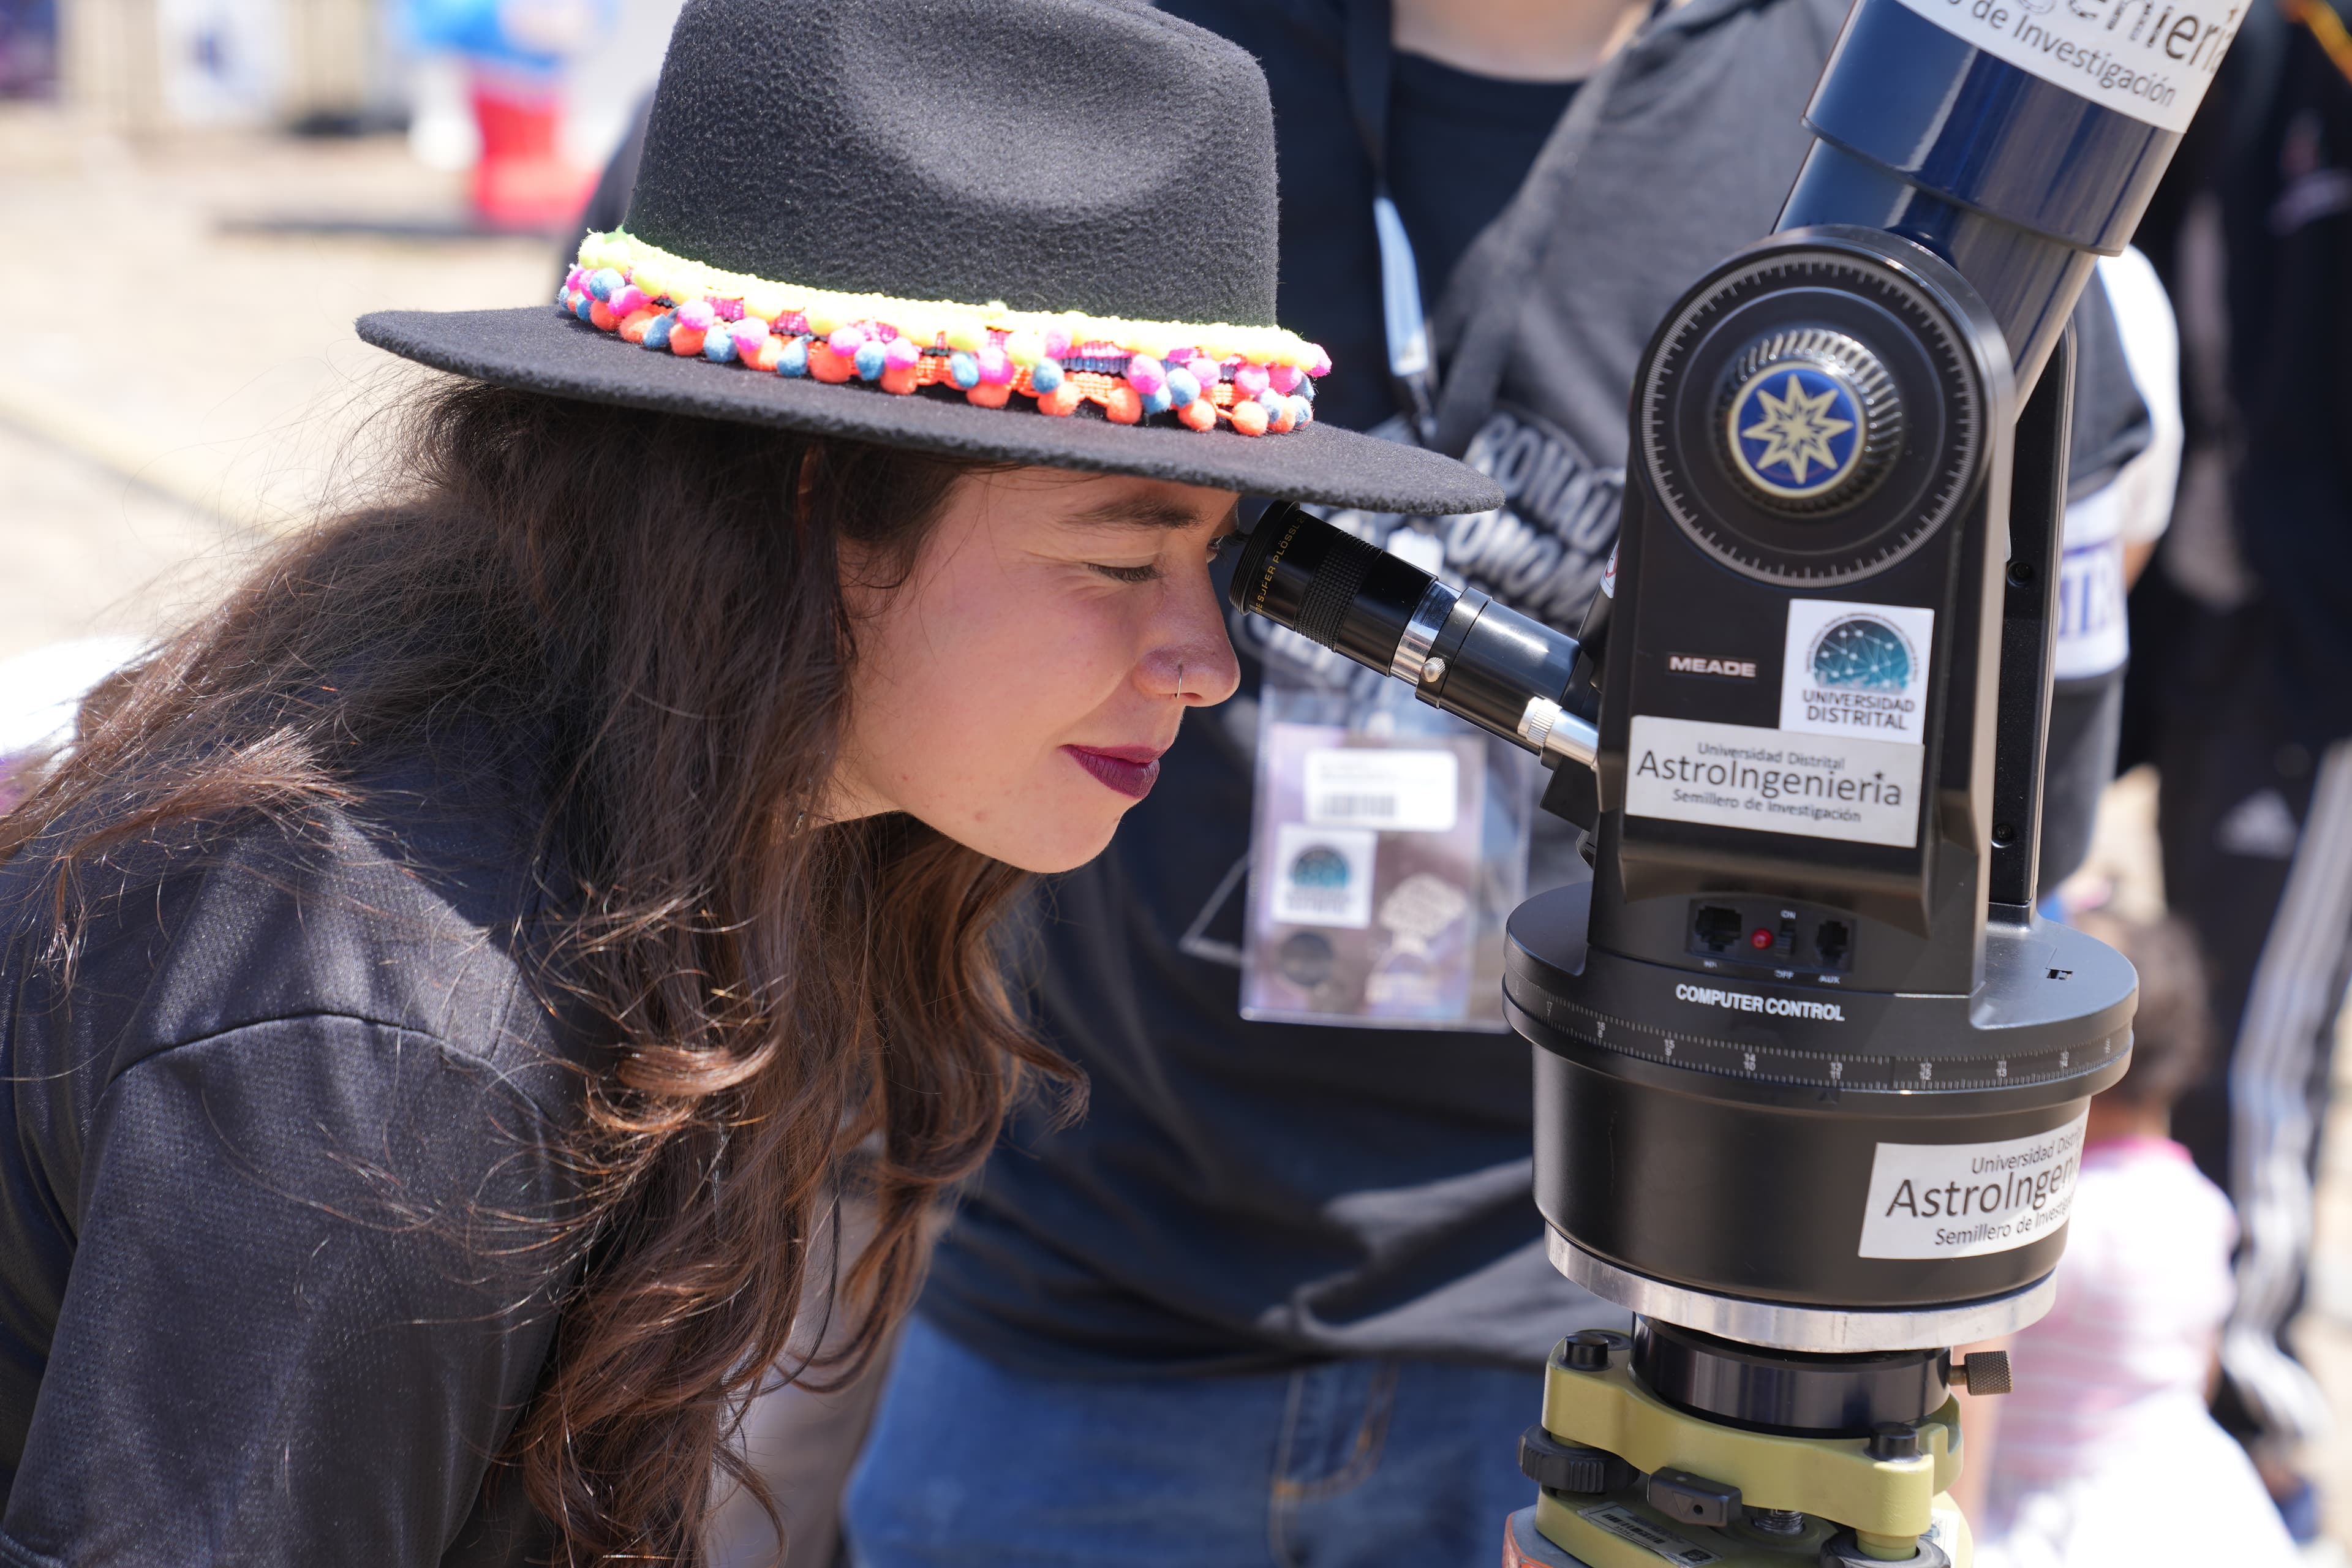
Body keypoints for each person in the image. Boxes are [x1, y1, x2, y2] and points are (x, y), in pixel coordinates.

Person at [0, 2, 1500, 1564]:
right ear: (799, 522)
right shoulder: (394, 1037)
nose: (1206, 662)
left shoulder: (654, 827)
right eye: (1121, 560)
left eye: (1213, 566)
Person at [840, 1, 2170, 1564]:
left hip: (1628, 1327)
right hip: (1074, 1292)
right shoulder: (1129, 65)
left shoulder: (1938, 139)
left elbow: (2010, 867)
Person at [2119, 0, 2352, 1534]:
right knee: (2188, 1006)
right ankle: (2172, 1364)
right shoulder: (2236, 59)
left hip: (2315, 658)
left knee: (2259, 1043)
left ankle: (2250, 1408)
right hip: (2201, 619)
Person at [1966, 912, 2300, 1568]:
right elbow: (2198, 1370)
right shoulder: (2198, 1202)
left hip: (2058, 1515)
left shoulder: (2061, 1224)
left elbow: (1981, 1368)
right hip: (2189, 1493)